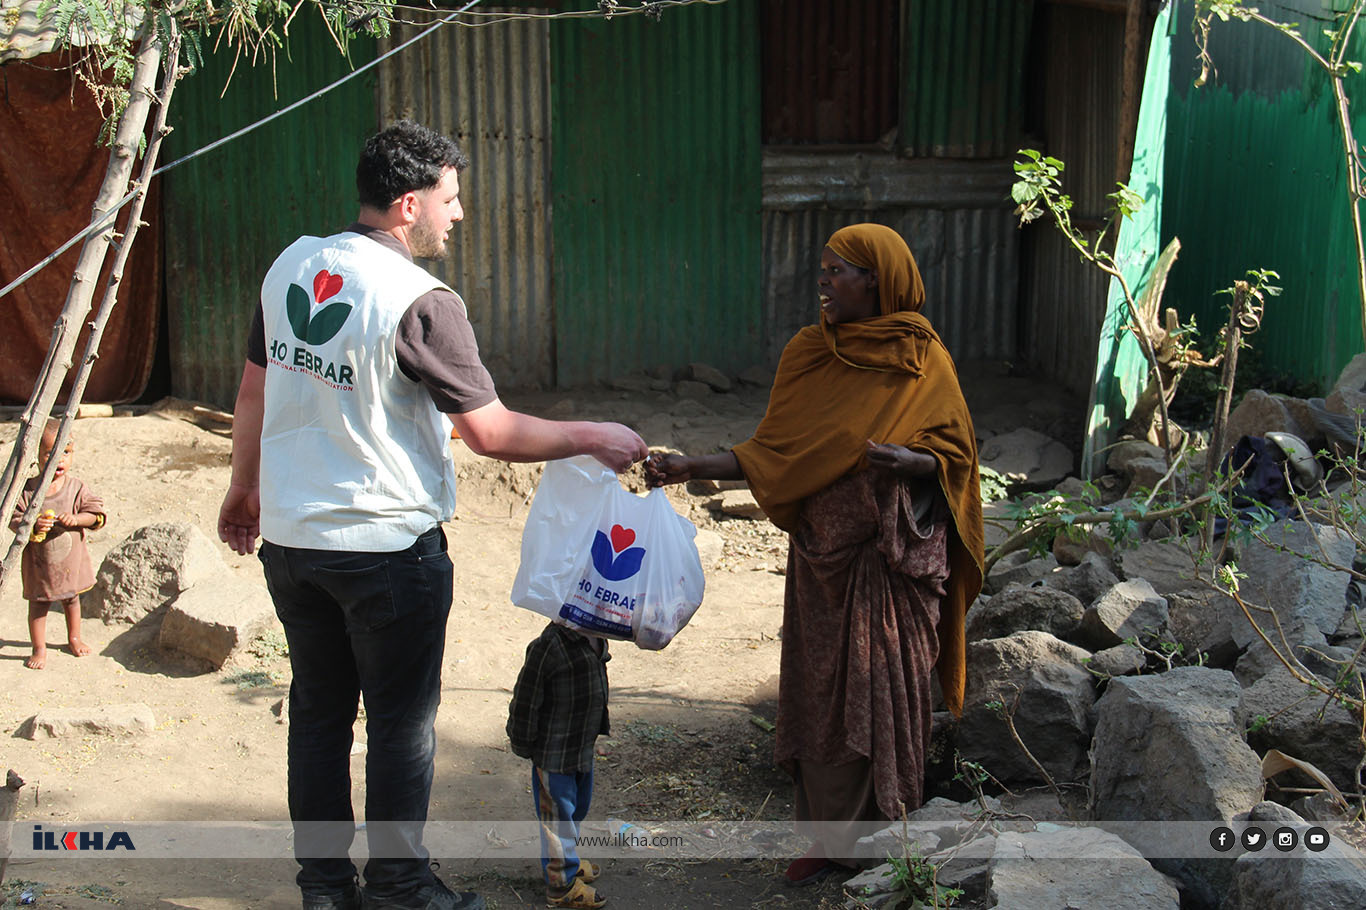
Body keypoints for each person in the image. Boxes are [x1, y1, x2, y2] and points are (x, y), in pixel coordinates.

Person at [217, 120, 648, 910]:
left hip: (293, 542)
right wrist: (591, 435)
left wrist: (244, 489)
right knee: (399, 724)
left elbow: (253, 389)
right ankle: (401, 886)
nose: (458, 215)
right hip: (386, 549)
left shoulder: (293, 265)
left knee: (317, 715)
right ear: (409, 204)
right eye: (450, 200)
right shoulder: (421, 299)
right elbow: (491, 432)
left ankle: (324, 889)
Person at [645, 223, 984, 885]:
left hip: (892, 567)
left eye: (839, 272)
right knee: (824, 695)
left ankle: (888, 841)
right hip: (821, 564)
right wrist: (691, 465)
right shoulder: (809, 353)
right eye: (822, 271)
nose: (824, 284)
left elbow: (960, 461)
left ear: (878, 281)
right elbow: (775, 451)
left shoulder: (922, 358)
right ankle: (826, 840)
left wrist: (914, 461)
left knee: (886, 693)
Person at [506, 622, 610, 909]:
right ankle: (560, 885)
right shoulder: (548, 646)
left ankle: (567, 860)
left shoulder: (597, 636)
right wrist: (522, 741)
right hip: (553, 754)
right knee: (558, 819)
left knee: (577, 808)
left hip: (580, 748)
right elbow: (525, 699)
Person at [9, 418, 105, 670]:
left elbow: (95, 514)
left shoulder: (76, 488)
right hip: (40, 566)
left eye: (66, 452)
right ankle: (39, 648)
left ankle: (74, 638)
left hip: (69, 565)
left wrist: (75, 519)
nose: (59, 459)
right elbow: (14, 516)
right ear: (37, 456)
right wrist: (32, 525)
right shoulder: (29, 490)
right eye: (51, 453)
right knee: (38, 605)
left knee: (72, 601)